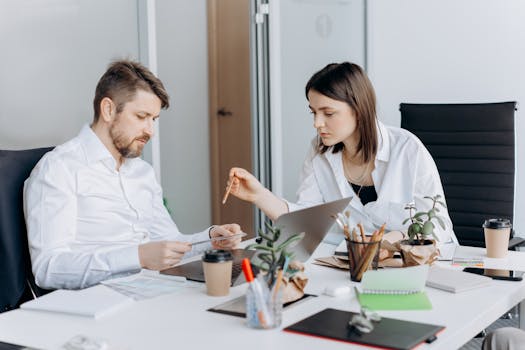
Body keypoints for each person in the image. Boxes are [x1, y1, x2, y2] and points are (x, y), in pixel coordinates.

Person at [24, 60, 242, 290]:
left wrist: (210, 239)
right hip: (100, 303)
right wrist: (137, 257)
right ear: (108, 109)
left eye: (154, 119)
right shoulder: (60, 169)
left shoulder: (142, 172)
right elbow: (48, 268)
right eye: (141, 116)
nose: (150, 131)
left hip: (153, 290)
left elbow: (168, 242)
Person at [226, 62, 456, 243]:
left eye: (328, 113)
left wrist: (389, 241)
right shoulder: (319, 151)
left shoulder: (407, 149)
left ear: (358, 109)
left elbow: (436, 227)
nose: (317, 123)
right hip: (353, 268)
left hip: (418, 268)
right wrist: (259, 195)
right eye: (313, 112)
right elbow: (307, 221)